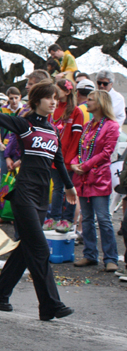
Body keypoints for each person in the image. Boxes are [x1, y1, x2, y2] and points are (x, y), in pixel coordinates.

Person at [0, 81, 77, 321]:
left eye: (55, 97)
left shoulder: (53, 130)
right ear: (36, 101)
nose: (53, 102)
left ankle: (0, 291)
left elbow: (59, 160)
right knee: (41, 248)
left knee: (26, 249)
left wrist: (69, 186)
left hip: (42, 195)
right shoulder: (24, 125)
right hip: (24, 193)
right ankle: (50, 305)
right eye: (48, 98)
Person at [70, 91, 120, 272]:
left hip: (99, 178)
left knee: (104, 219)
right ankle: (90, 255)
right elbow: (79, 148)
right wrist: (75, 163)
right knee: (87, 218)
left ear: (100, 103)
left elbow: (106, 152)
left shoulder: (112, 126)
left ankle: (110, 258)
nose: (86, 102)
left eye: (90, 100)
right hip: (83, 178)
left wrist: (85, 165)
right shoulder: (88, 125)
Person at [44, 79, 83, 232]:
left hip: (67, 159)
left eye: (57, 90)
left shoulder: (76, 111)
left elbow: (76, 138)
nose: (54, 93)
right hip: (53, 157)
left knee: (69, 189)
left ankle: (67, 219)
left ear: (67, 92)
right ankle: (54, 218)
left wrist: (69, 158)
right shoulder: (53, 108)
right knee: (57, 189)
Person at [0, 88, 23, 197]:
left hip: (19, 147)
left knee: (19, 176)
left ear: (20, 97)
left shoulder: (25, 109)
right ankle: (2, 203)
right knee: (4, 176)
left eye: (16, 98)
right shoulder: (3, 110)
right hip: (5, 146)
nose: (14, 101)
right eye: (11, 98)